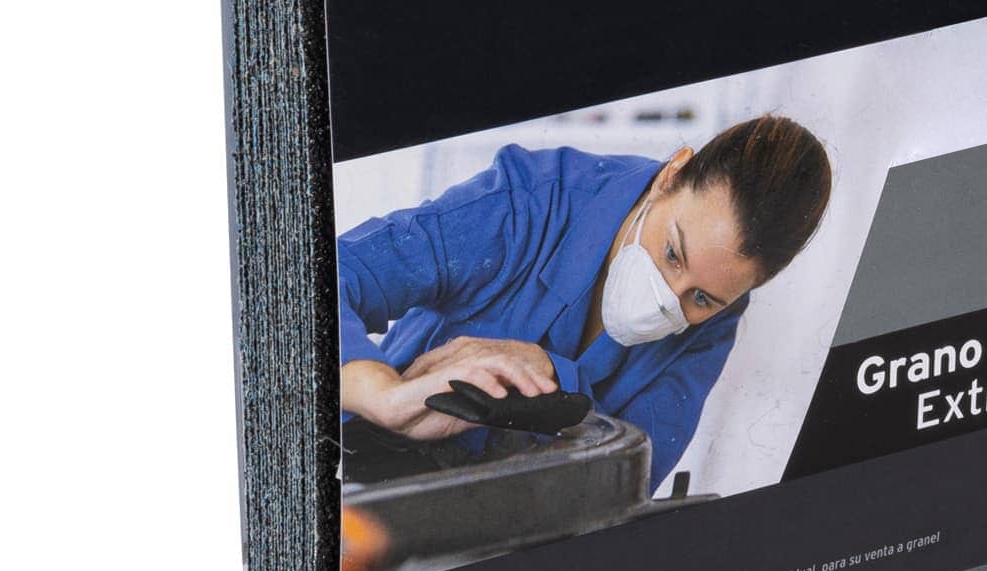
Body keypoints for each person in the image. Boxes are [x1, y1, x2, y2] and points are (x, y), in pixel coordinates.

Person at [338, 115, 832, 484]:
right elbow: (329, 277)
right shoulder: (532, 199)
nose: (666, 299)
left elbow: (629, 477)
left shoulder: (715, 323)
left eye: (701, 297)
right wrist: (382, 395)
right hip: (365, 466)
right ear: (672, 173)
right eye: (672, 253)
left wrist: (557, 379)